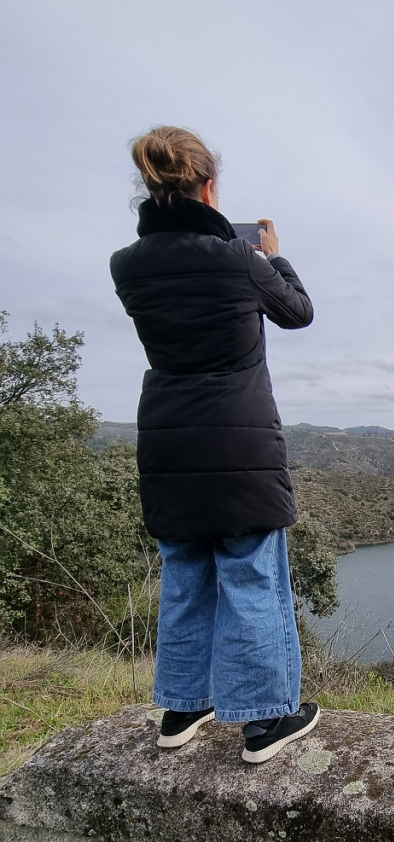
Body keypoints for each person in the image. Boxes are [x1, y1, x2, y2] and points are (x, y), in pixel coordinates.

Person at [111, 125, 319, 764]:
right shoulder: (239, 260)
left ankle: (182, 705)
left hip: (169, 444)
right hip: (239, 446)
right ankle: (266, 722)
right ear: (209, 186)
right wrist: (271, 253)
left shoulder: (127, 265)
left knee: (185, 574)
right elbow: (297, 311)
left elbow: (179, 269)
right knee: (253, 575)